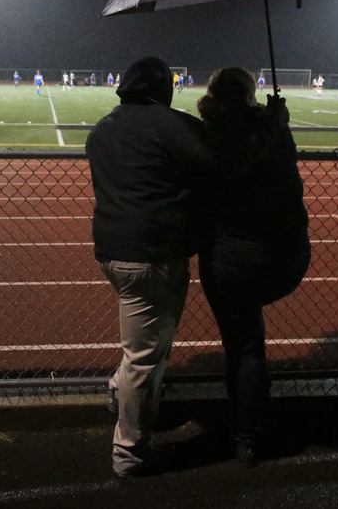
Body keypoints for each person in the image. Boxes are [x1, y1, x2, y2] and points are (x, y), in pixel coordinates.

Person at [86, 56, 214, 478]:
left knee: (144, 346)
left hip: (112, 253)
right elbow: (215, 166)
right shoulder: (172, 125)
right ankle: (129, 454)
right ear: (164, 88)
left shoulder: (103, 129)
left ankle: (121, 396)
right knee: (143, 357)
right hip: (152, 256)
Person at [195, 67, 310, 467]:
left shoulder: (208, 134)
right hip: (286, 259)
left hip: (232, 262)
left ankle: (245, 433)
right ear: (249, 94)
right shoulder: (274, 130)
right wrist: (276, 121)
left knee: (243, 347)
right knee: (250, 344)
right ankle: (256, 407)